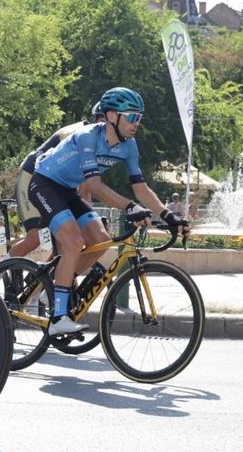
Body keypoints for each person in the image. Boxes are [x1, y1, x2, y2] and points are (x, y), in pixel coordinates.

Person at [28, 86, 188, 336]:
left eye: (140, 117)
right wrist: (130, 207)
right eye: (132, 117)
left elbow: (141, 188)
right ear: (112, 116)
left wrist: (168, 216)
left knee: (101, 241)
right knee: (73, 242)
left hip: (68, 191)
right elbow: (92, 185)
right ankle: (58, 316)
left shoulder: (129, 146)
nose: (137, 123)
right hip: (44, 185)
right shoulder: (88, 137)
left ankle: (55, 289)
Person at [9, 103, 103, 259]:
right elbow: (84, 187)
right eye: (101, 120)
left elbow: (86, 183)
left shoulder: (99, 143)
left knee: (67, 243)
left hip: (57, 187)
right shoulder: (81, 134)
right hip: (32, 177)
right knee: (34, 238)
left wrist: (88, 217)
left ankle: (47, 279)